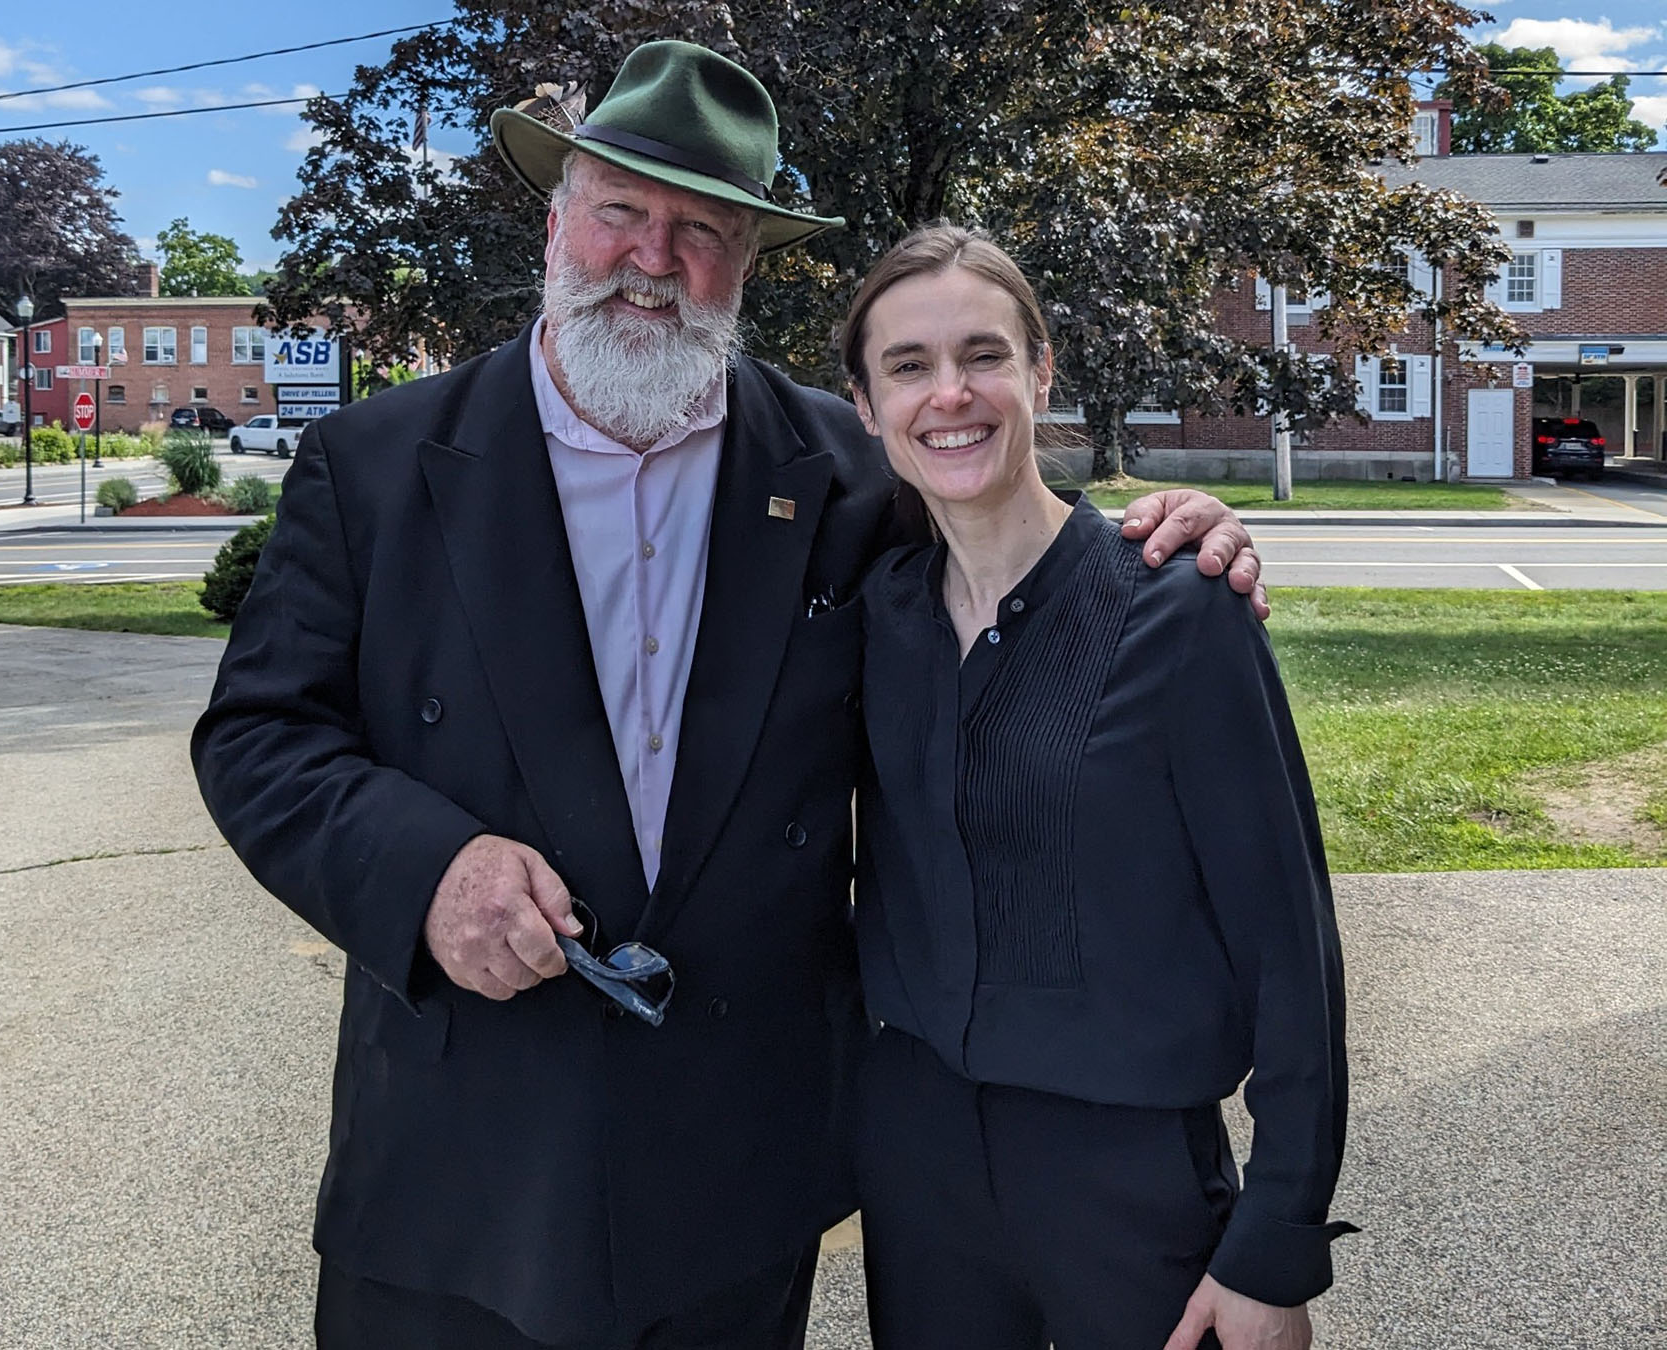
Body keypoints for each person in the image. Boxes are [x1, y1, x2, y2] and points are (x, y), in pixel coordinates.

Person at [191, 42, 1262, 1350]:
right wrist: (425, 872)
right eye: (620, 212)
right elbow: (260, 735)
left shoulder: (848, 473)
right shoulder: (374, 462)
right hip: (456, 1164)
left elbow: (1010, 549)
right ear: (556, 222)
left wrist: (1162, 547)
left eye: (700, 230)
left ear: (747, 260)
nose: (652, 259)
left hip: (732, 1168)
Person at [843, 223, 1351, 1350]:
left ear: (1040, 372)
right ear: (867, 406)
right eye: (909, 366)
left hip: (1131, 1180)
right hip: (920, 1165)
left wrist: (1275, 1243)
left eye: (983, 354)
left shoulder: (1180, 610)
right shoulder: (874, 615)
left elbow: (1288, 944)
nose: (950, 394)